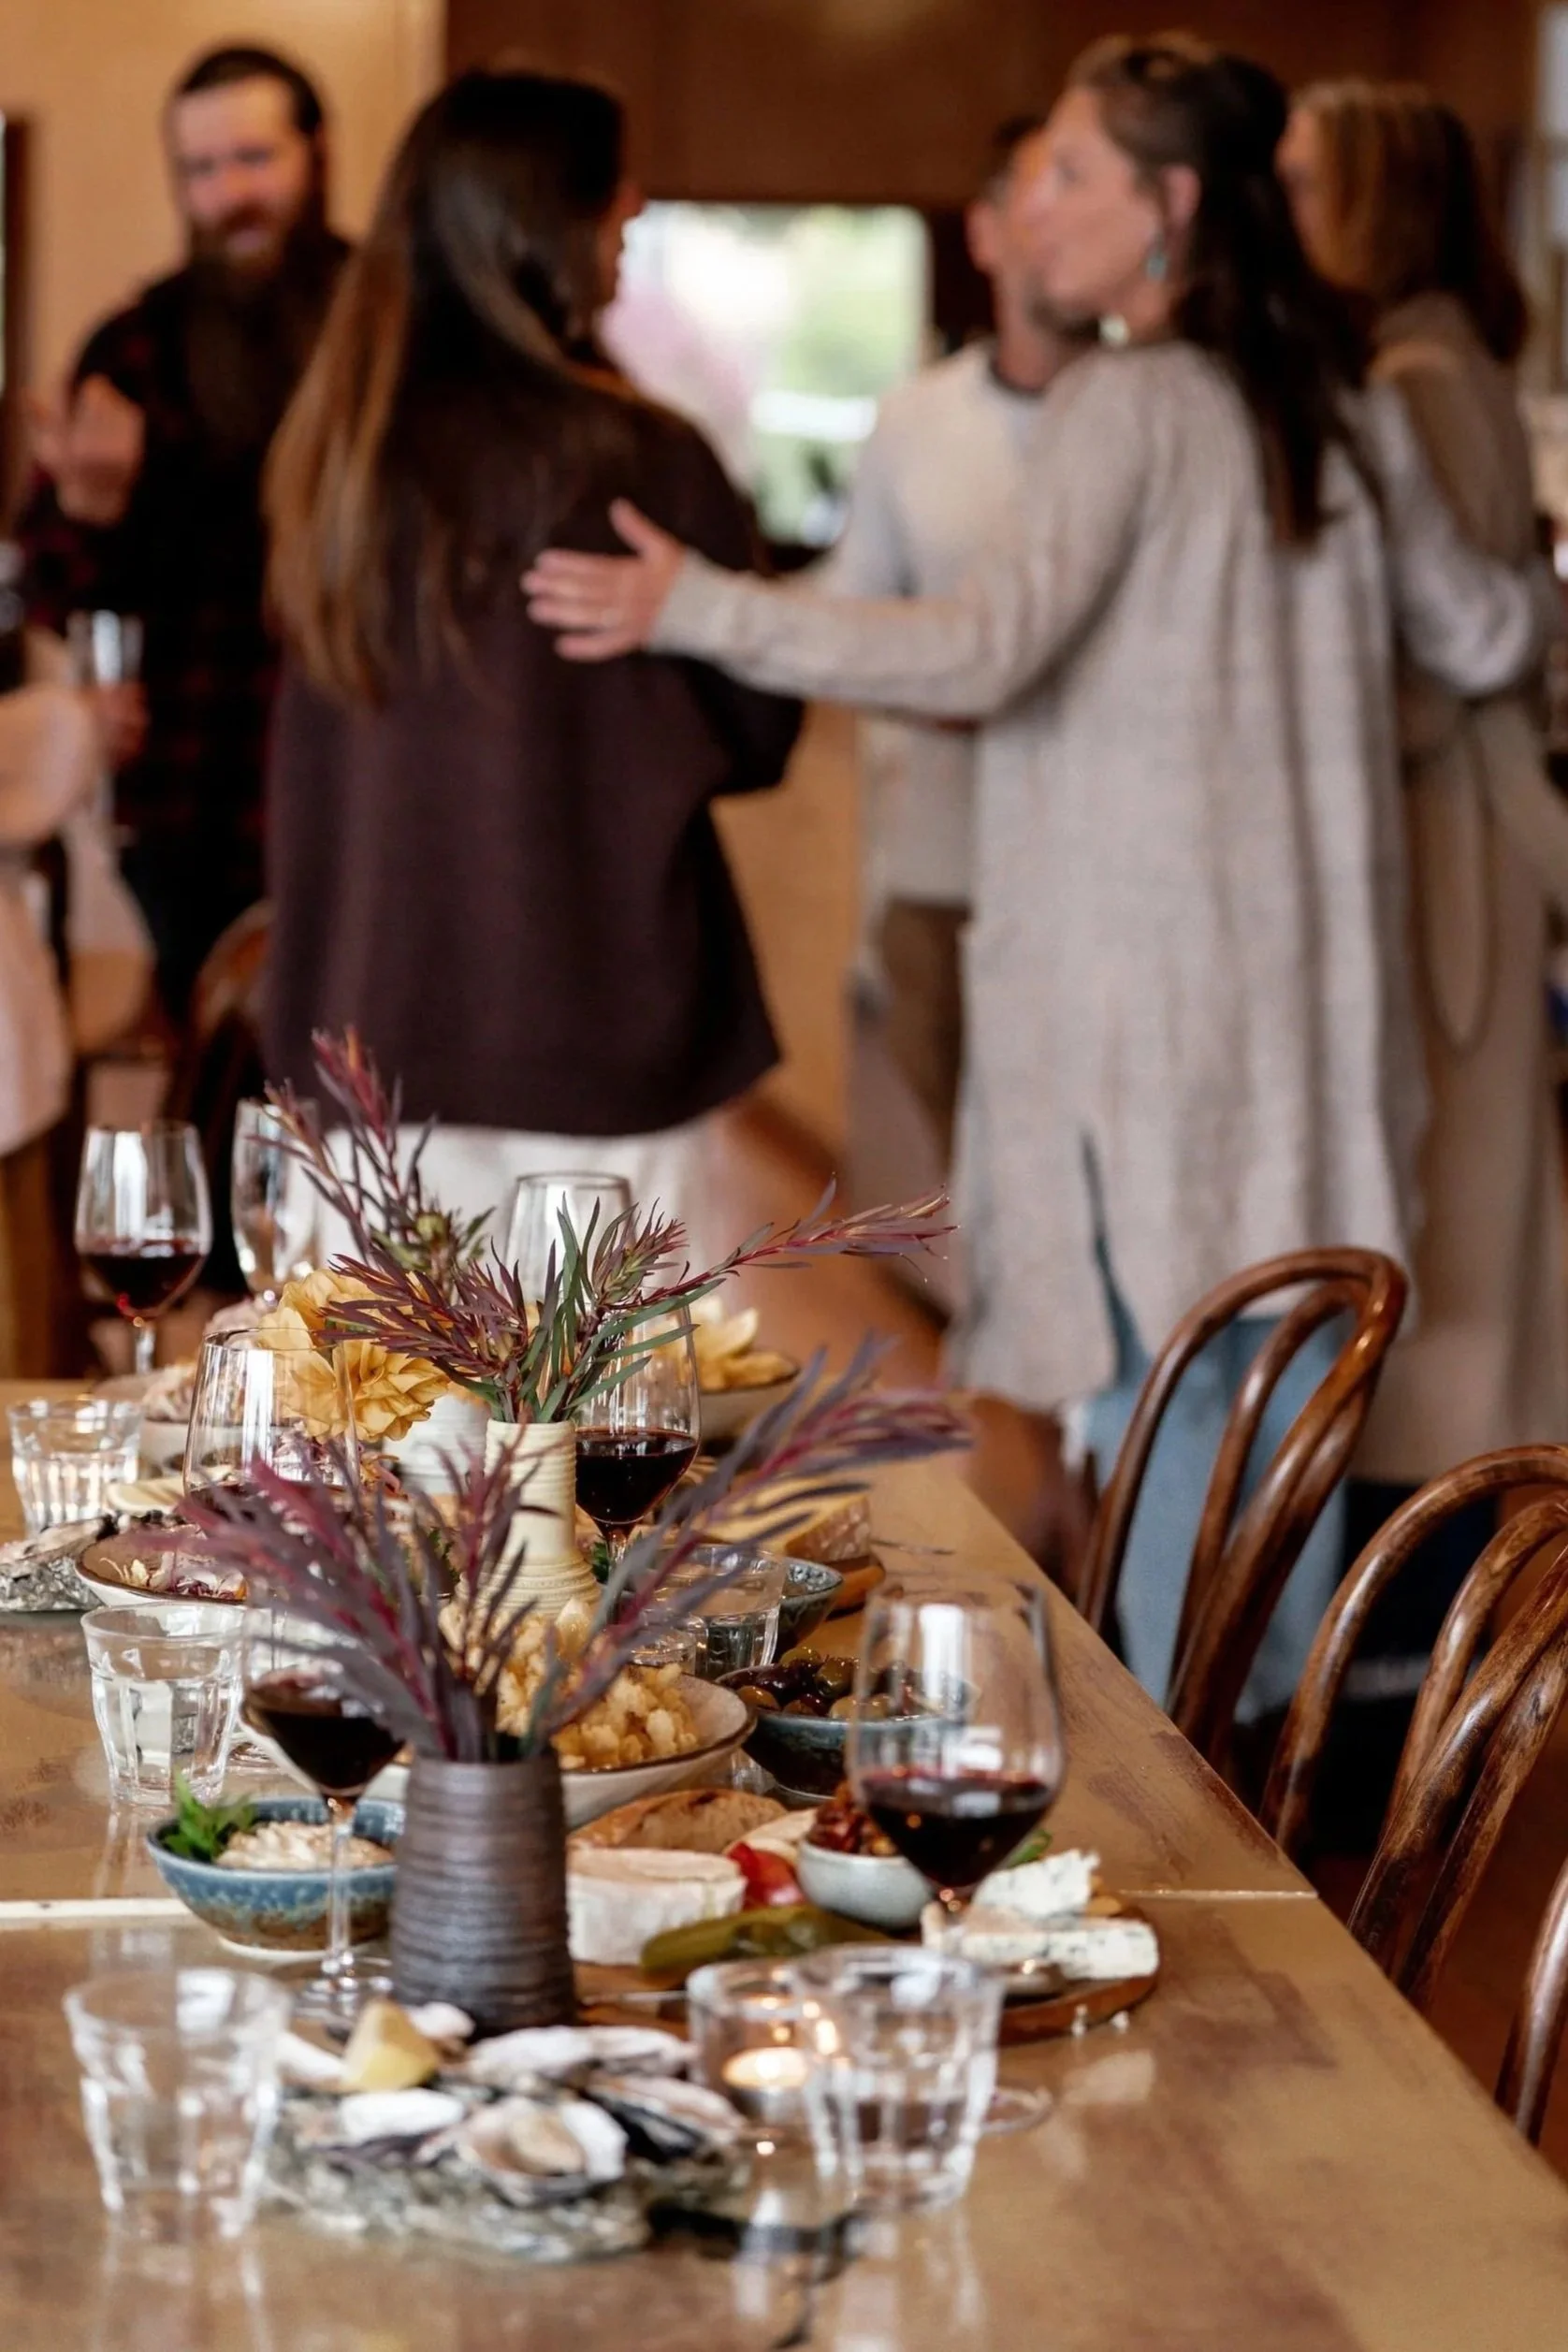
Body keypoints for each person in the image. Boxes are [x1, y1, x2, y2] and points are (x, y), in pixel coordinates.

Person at [525, 36, 1556, 1716]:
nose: (1028, 205)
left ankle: (1176, 1836)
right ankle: (1259, 1805)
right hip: (1304, 1024)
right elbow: (1496, 626)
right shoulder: (1336, 402)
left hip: (1144, 1016)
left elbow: (981, 647)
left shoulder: (1131, 398)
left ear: (1168, 208)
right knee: (1265, 1412)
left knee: (1161, 1423)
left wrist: (696, 605)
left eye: (1069, 171)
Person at [262, 68, 801, 1257]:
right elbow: (761, 733)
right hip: (600, 1025)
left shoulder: (337, 466)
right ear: (544, 228)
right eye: (613, 197)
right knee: (607, 1436)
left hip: (372, 1032)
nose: (636, 211)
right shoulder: (640, 459)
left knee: (388, 1437)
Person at [19, 44, 349, 1017]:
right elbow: (50, 592)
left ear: (315, 155)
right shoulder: (133, 348)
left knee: (367, 1104)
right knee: (222, 1078)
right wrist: (90, 506)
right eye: (200, 171)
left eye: (253, 159)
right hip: (191, 805)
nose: (228, 194)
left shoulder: (394, 332)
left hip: (368, 784)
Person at [824, 115, 1091, 1171]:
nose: (1053, 229)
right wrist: (941, 679)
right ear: (983, 233)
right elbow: (850, 623)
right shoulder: (912, 423)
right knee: (973, 1180)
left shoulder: (1158, 416)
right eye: (1034, 201)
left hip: (1096, 874)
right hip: (942, 864)